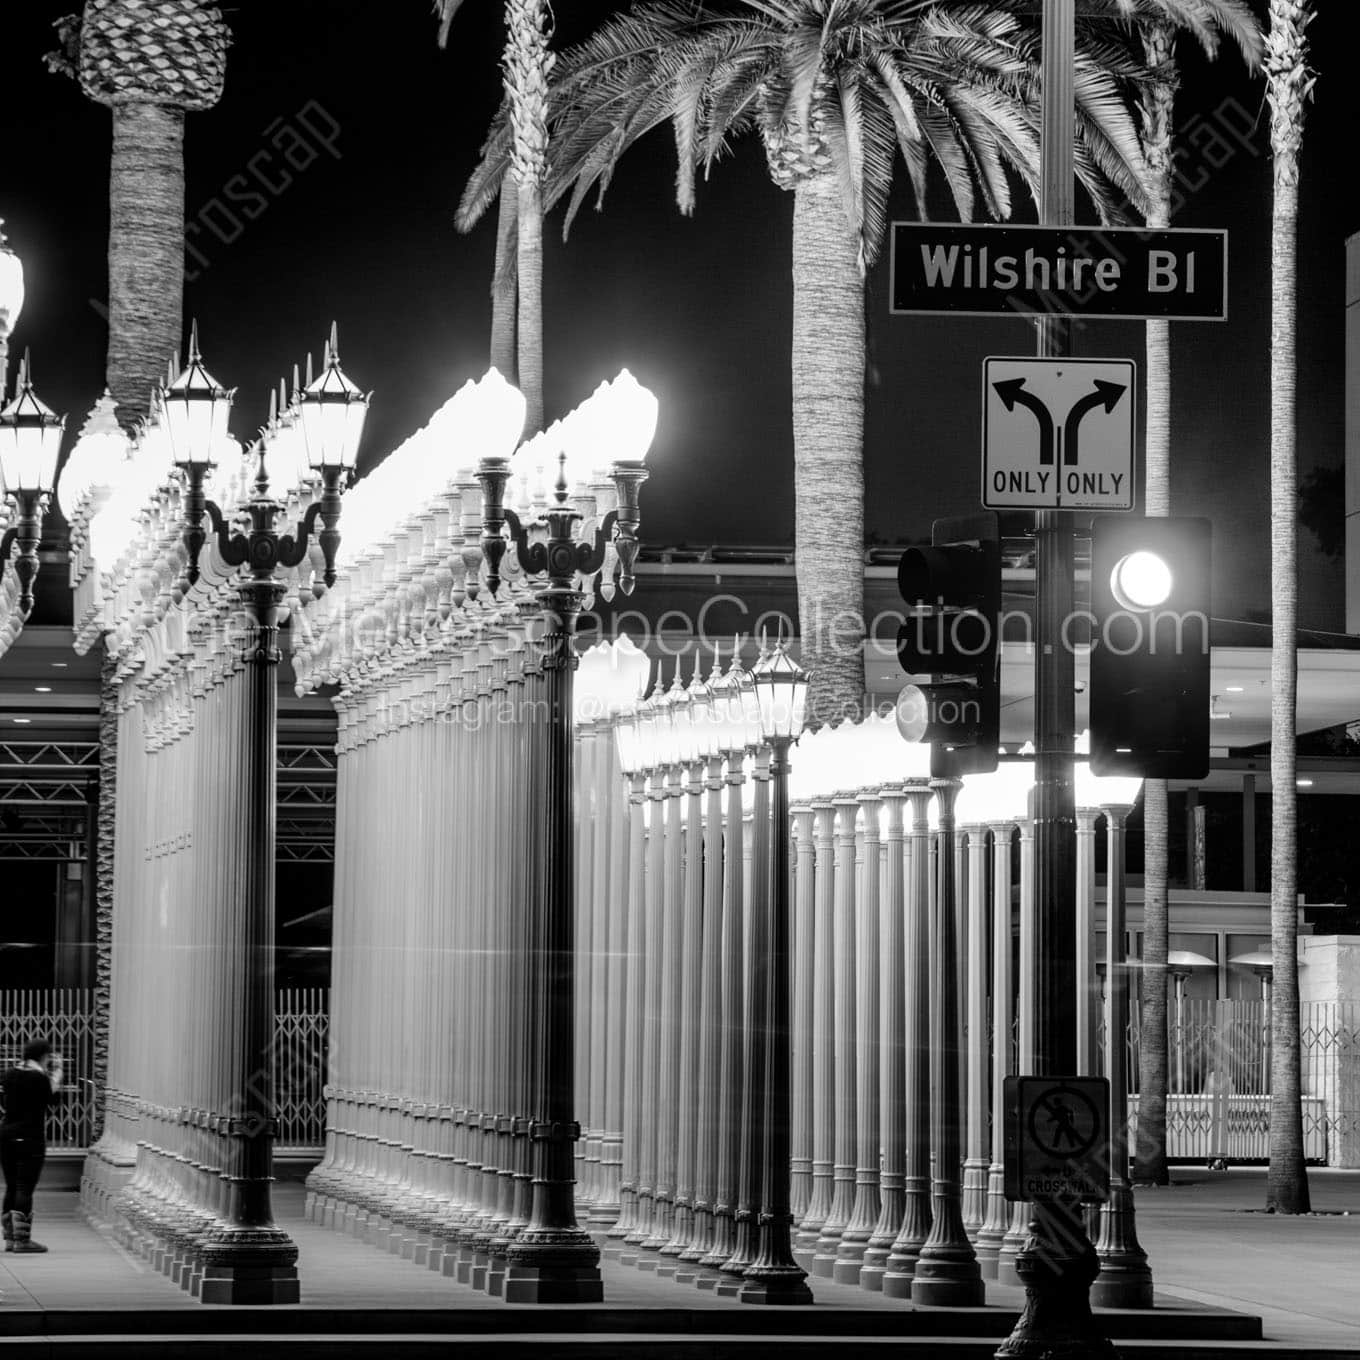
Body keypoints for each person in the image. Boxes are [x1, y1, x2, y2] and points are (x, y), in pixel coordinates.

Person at [1, 1038, 63, 1253]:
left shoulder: (10, 1074)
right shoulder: (39, 1078)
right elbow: (53, 1103)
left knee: (11, 1185)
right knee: (25, 1187)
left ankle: (9, 1238)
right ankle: (22, 1240)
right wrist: (55, 1077)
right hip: (30, 1137)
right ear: (44, 1056)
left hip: (7, 1135)